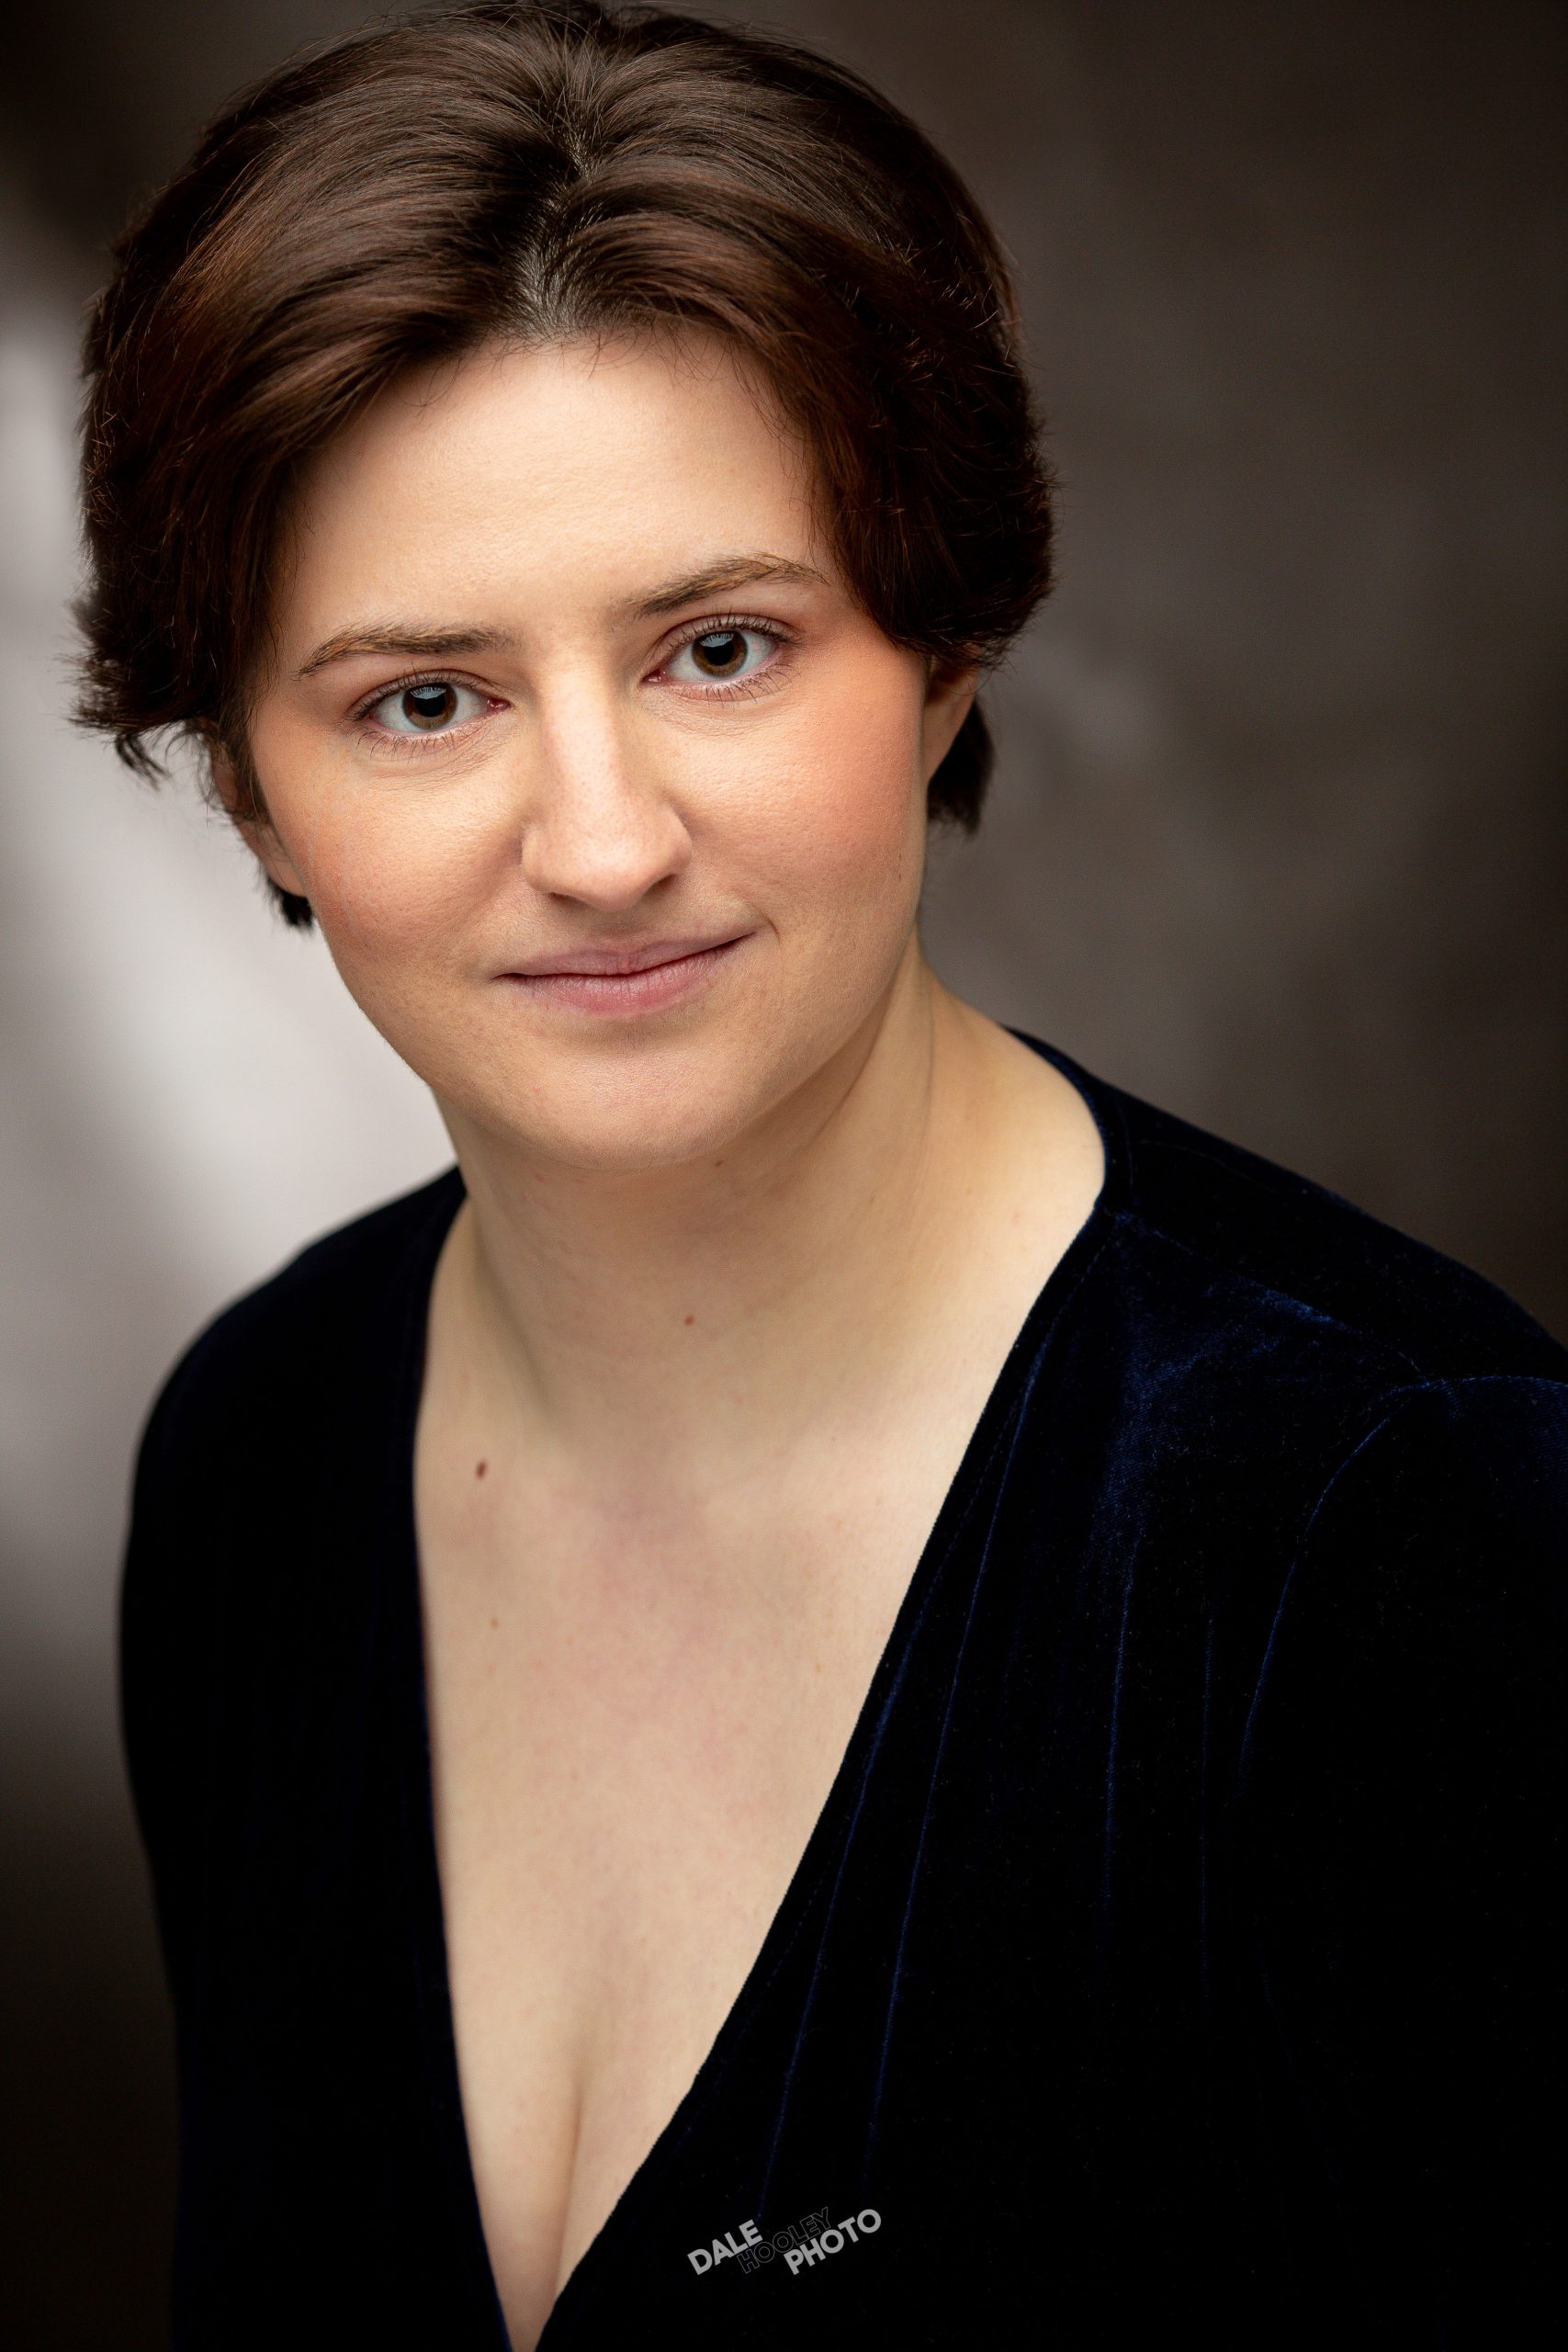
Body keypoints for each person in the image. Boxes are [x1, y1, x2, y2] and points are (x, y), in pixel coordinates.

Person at [77, 4, 1563, 2346]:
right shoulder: (256, 1460)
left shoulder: (1388, 1515)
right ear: (249, 784)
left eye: (720, 646)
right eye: (423, 699)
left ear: (943, 648)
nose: (599, 843)